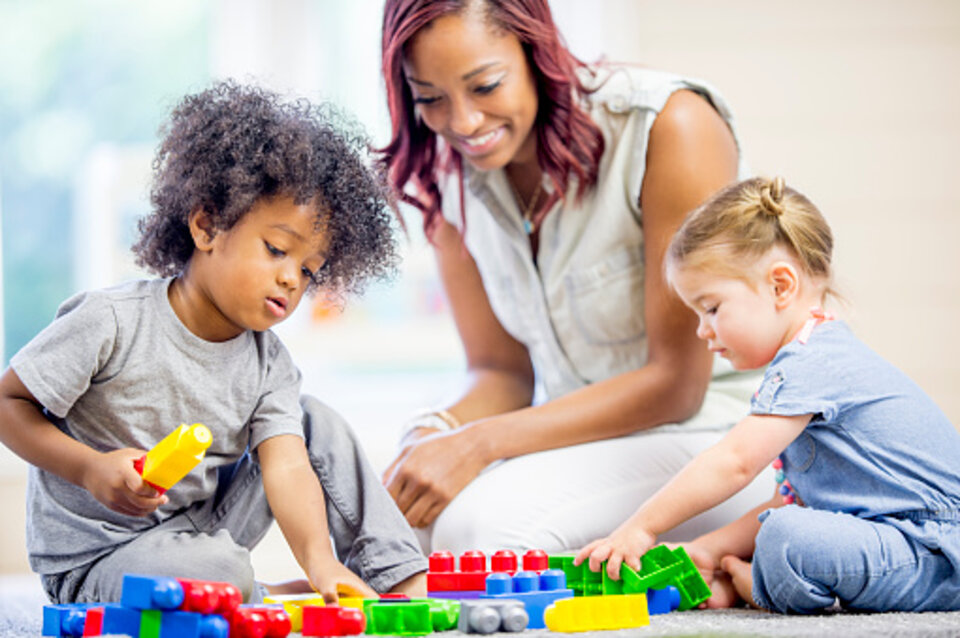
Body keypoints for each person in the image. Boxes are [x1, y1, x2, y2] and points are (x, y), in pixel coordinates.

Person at [0, 81, 427, 605]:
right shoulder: (110, 321)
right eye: (276, 249)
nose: (292, 279)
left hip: (199, 529)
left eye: (308, 271)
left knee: (315, 422)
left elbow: (288, 464)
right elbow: (8, 403)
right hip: (98, 559)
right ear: (207, 226)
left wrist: (319, 561)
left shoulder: (269, 363)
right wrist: (88, 469)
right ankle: (246, 589)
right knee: (222, 569)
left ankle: (398, 579)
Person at [377, 0, 771, 554]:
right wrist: (435, 431)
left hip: (727, 442)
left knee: (483, 534)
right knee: (398, 526)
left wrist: (479, 444)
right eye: (431, 99)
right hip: (584, 449)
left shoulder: (668, 125)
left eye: (485, 86)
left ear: (537, 52)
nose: (462, 123)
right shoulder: (451, 178)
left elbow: (676, 385)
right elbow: (500, 373)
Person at [576, 176, 960, 613]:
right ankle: (747, 576)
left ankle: (754, 587)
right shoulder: (811, 359)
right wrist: (705, 548)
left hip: (935, 552)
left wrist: (640, 527)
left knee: (785, 536)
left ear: (780, 286)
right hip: (906, 546)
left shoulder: (814, 361)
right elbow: (791, 497)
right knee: (786, 520)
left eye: (712, 308)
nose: (703, 330)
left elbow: (734, 463)